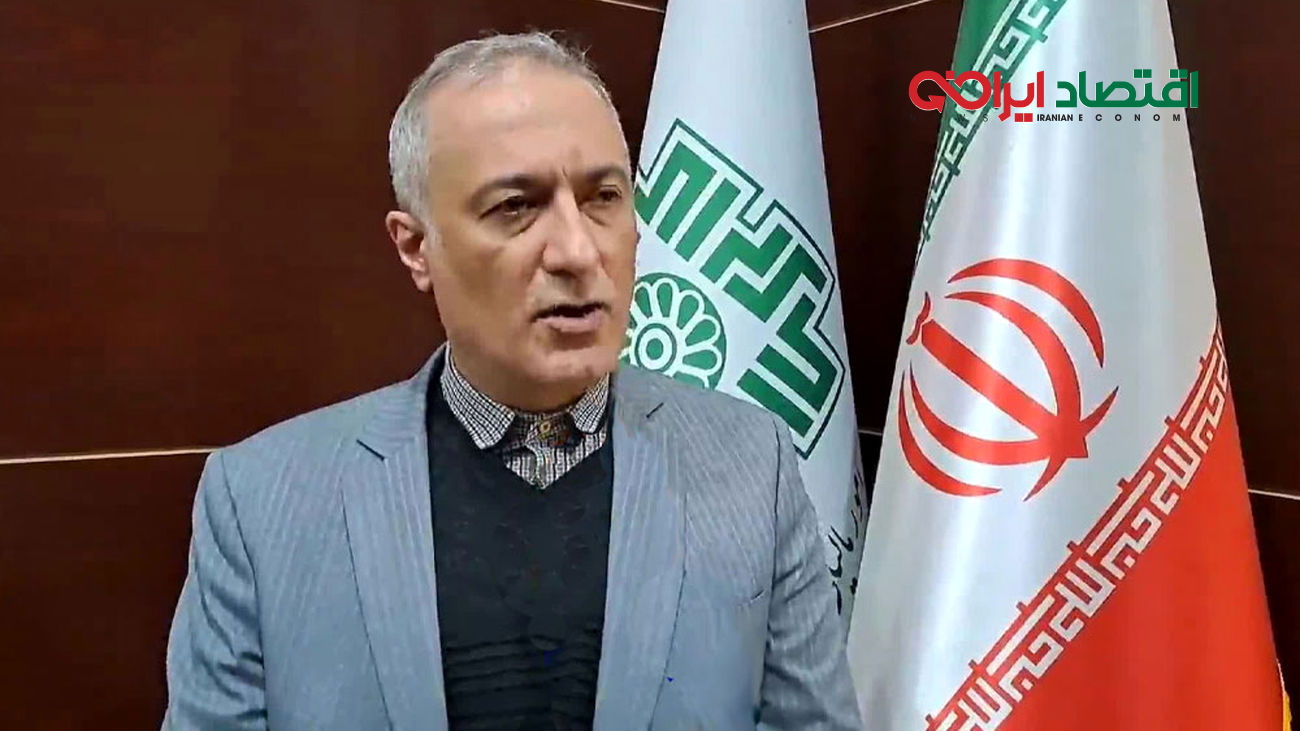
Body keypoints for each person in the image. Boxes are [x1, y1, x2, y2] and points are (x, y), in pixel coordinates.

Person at [163, 32, 860, 730]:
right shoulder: (261, 502)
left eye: (604, 197)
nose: (578, 251)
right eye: (516, 207)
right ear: (416, 246)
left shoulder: (754, 465)